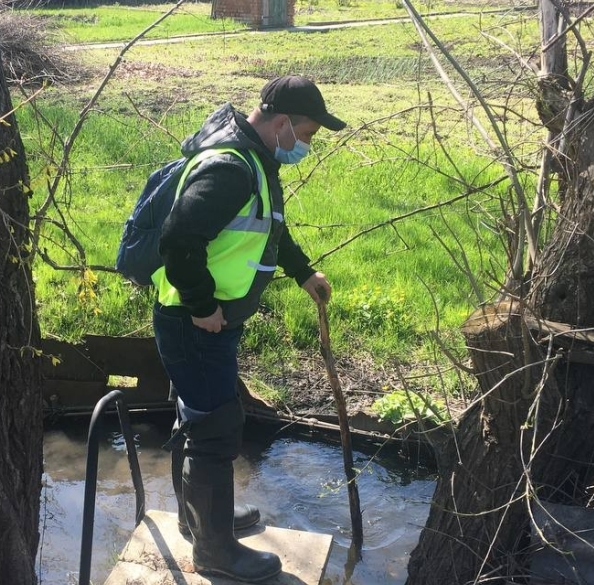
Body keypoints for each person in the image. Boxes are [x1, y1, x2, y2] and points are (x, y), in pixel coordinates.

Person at [153, 75, 344, 582]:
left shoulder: (252, 158)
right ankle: (215, 553)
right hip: (195, 325)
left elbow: (266, 226)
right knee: (214, 430)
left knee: (198, 419)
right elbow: (178, 241)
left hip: (207, 325)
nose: (305, 145)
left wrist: (303, 272)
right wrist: (201, 305)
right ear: (282, 123)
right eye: (306, 135)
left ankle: (202, 524)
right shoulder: (231, 167)